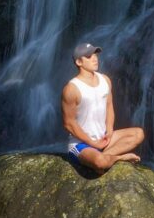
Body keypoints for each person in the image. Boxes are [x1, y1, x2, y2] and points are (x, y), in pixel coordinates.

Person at [61, 41, 144, 172]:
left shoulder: (105, 80)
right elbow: (68, 123)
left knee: (138, 133)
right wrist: (92, 142)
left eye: (96, 55)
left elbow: (109, 107)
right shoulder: (72, 89)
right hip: (81, 144)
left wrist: (110, 131)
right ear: (79, 62)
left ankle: (107, 157)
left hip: (103, 139)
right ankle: (118, 158)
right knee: (100, 162)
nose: (95, 59)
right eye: (89, 57)